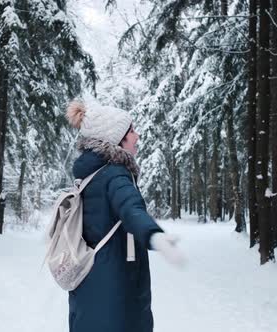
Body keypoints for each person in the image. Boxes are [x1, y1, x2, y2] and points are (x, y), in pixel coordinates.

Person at [65, 100, 186, 332]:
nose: (137, 136)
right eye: (131, 131)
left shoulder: (89, 175)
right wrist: (154, 235)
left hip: (88, 285)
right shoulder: (116, 175)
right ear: (116, 139)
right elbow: (132, 210)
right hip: (117, 291)